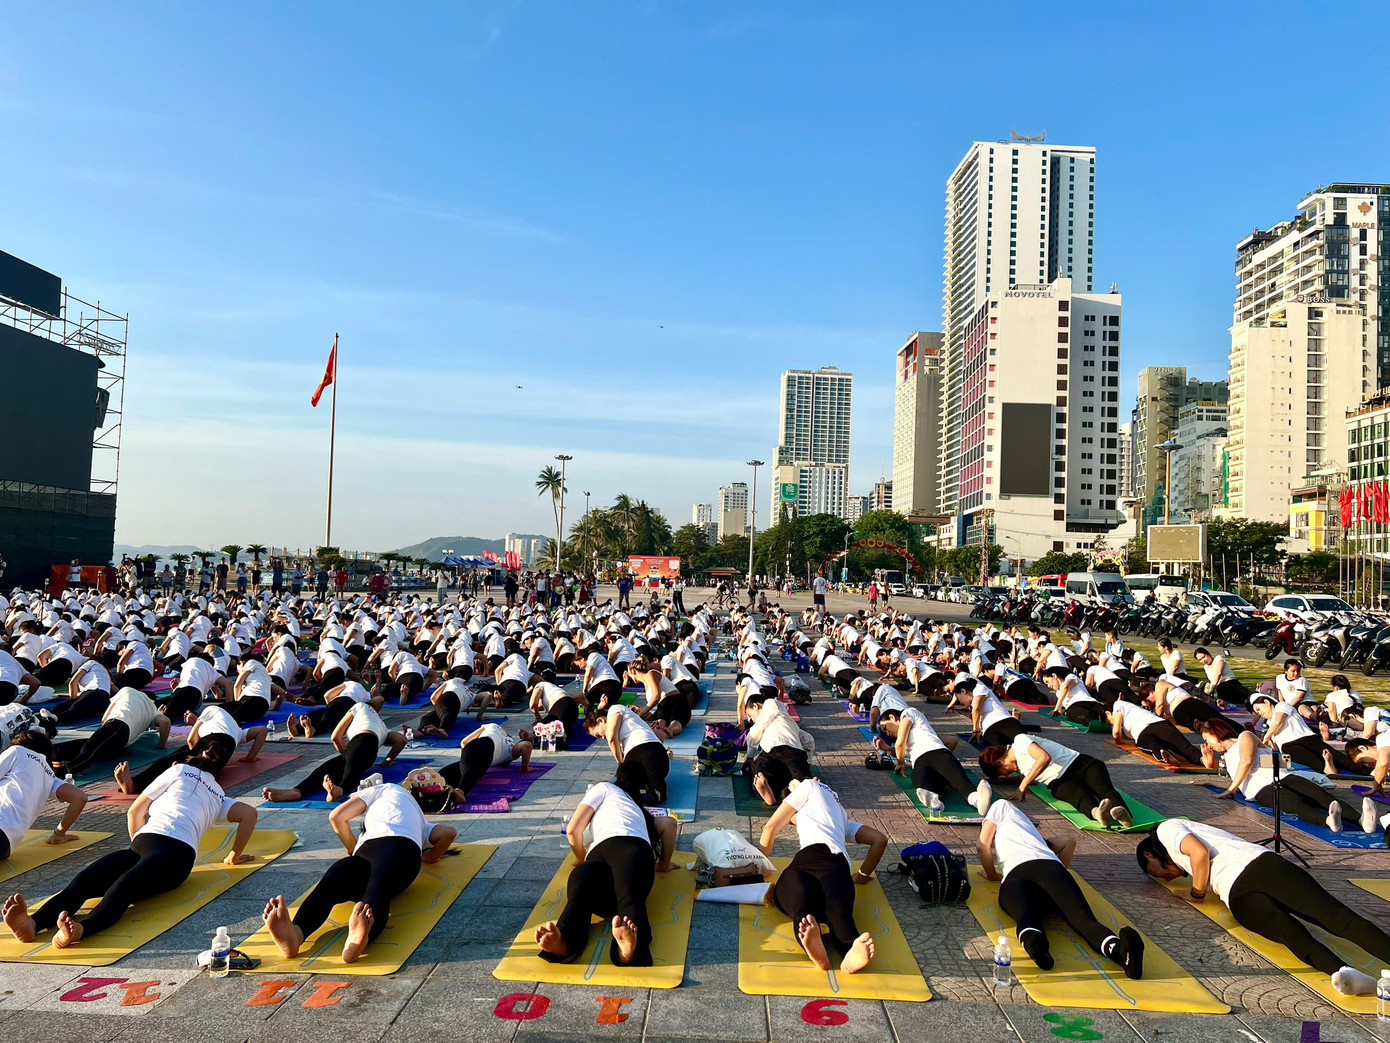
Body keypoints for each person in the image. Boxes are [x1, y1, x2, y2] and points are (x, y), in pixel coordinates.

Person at [1, 754, 258, 948]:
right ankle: (32, 924)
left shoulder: (178, 770)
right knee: (102, 883)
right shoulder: (218, 795)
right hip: (175, 856)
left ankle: (76, 929)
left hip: (148, 847)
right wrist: (233, 856)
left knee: (104, 884)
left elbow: (135, 811)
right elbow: (249, 814)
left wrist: (137, 844)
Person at [1137, 819, 1390, 996]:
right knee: (1294, 933)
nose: (1166, 878)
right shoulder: (1179, 854)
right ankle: (1346, 974)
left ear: (1149, 855)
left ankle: (1347, 969)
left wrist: (1196, 893)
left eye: (1156, 873)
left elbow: (1200, 853)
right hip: (1238, 892)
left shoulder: (1165, 830)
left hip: (1258, 868)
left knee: (1330, 920)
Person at [262, 777, 458, 963]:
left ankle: (297, 931)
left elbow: (337, 816)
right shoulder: (421, 821)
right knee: (378, 888)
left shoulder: (384, 789)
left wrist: (351, 847)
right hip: (403, 856)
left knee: (333, 880)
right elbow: (449, 833)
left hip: (366, 852)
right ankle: (359, 939)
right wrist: (430, 857)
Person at [979, 799, 1143, 978]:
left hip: (1017, 876)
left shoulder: (1001, 806)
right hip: (1051, 869)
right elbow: (1068, 842)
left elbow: (982, 845)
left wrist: (991, 874)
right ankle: (1120, 952)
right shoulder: (1037, 840)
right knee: (1084, 921)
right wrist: (1057, 885)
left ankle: (1034, 943)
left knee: (1026, 917)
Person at [535, 778, 677, 967]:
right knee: (629, 899)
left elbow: (572, 830)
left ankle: (564, 943)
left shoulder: (605, 788)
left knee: (579, 898)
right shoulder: (639, 813)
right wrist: (663, 864)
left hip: (599, 858)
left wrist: (579, 858)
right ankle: (628, 951)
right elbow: (669, 824)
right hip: (633, 853)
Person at [753, 773, 886, 974]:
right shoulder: (841, 816)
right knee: (839, 913)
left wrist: (759, 871)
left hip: (807, 862)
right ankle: (849, 951)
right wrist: (862, 875)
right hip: (838, 869)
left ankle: (814, 948)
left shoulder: (807, 787)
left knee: (801, 903)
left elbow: (770, 828)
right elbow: (880, 839)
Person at [1197, 718, 1377, 834]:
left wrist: (1231, 789)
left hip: (1281, 775)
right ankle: (1329, 821)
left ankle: (1361, 820)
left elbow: (1247, 761)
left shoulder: (1245, 736)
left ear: (1216, 732)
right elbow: (1236, 778)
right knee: (1295, 804)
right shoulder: (1227, 757)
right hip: (1259, 789)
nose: (1208, 745)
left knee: (1319, 795)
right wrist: (1209, 781)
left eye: (1207, 739)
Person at [979, 733, 1132, 828]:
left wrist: (1022, 786)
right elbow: (1030, 777)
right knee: (1078, 796)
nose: (1006, 775)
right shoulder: (1020, 769)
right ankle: (1098, 814)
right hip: (1059, 782)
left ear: (999, 763)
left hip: (1080, 764)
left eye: (1002, 774)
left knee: (1103, 789)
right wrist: (1000, 782)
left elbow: (1044, 758)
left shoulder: (1020, 741)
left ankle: (1123, 816)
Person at [264, 703, 405, 804]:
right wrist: (387, 760)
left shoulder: (358, 706)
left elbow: (335, 737)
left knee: (336, 767)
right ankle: (297, 791)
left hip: (358, 745)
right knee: (340, 768)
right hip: (367, 751)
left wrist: (345, 752)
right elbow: (402, 740)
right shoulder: (383, 726)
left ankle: (336, 790)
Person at [114, 704, 269, 795]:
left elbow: (190, 740)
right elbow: (262, 731)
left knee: (174, 759)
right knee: (208, 769)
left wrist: (190, 755)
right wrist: (251, 757)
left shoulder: (212, 709)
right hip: (224, 745)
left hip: (211, 739)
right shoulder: (237, 730)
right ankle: (178, 778)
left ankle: (135, 784)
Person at [874, 707, 991, 814]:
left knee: (962, 785)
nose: (888, 733)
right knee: (921, 782)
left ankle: (979, 801)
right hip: (924, 762)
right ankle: (934, 801)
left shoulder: (908, 712)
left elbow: (900, 744)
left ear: (892, 718)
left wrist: (900, 762)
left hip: (937, 754)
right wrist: (887, 749)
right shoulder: (922, 732)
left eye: (885, 728)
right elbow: (952, 741)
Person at [0, 731, 89, 858]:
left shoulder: (17, 751)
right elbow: (80, 798)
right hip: (6, 846)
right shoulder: (50, 776)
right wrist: (58, 834)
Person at [52, 687, 172, 777]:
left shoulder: (127, 690)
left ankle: (68, 769)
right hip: (121, 742)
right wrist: (162, 745)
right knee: (88, 748)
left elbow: (105, 717)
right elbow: (165, 722)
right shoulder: (152, 708)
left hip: (117, 725)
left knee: (90, 747)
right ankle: (54, 758)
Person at [1251, 693, 1359, 776]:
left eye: (1259, 709)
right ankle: (1327, 768)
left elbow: (1278, 722)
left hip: (1307, 738)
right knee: (1309, 759)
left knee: (1338, 757)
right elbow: (1275, 747)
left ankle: (1366, 770)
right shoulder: (1270, 724)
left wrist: (1266, 736)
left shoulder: (1282, 706)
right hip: (1288, 746)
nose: (1260, 713)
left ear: (1266, 702)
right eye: (1257, 712)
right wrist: (1269, 743)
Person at [586, 704, 670, 805]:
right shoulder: (635, 722)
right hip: (661, 761)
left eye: (598, 735)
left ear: (600, 721)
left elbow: (612, 739)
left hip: (641, 751)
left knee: (624, 777)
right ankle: (655, 790)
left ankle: (651, 792)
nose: (602, 738)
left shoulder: (614, 709)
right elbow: (661, 735)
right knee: (650, 777)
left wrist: (620, 763)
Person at [438, 721, 531, 803]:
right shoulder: (510, 747)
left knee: (466, 768)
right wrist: (524, 767)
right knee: (471, 769)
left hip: (476, 747)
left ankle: (436, 782)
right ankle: (460, 790)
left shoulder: (492, 726)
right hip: (485, 750)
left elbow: (464, 742)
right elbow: (526, 745)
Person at [1106, 698, 1203, 766]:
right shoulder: (1129, 708)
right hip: (1162, 724)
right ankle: (1201, 759)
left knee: (1149, 744)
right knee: (1182, 745)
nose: (1112, 723)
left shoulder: (1117, 705)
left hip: (1143, 731)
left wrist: (1118, 740)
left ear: (1108, 713)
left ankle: (1162, 754)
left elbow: (1116, 733)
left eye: (1110, 721)